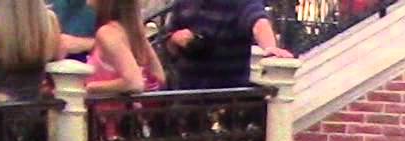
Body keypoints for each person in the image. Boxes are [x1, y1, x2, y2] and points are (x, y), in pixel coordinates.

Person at [162, 0, 292, 90]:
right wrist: (176, 39)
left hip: (226, 97)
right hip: (186, 95)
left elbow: (258, 22)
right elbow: (168, 44)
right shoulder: (184, 3)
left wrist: (270, 47)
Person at [85, 0, 165, 96]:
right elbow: (159, 77)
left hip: (112, 109)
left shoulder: (108, 33)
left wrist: (90, 87)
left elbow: (134, 83)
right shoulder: (131, 30)